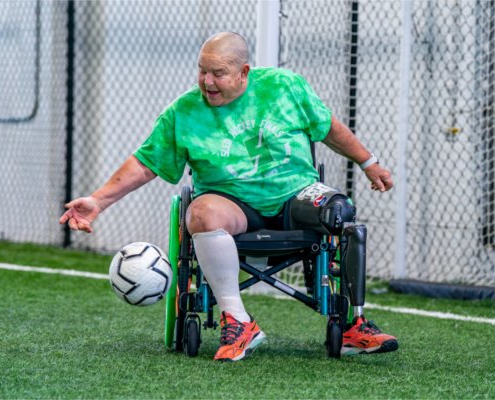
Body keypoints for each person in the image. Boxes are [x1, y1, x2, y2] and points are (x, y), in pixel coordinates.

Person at [60, 32, 398, 362]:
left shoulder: (284, 87)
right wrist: (99, 201)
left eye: (218, 73)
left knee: (341, 211)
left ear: (244, 72)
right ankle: (237, 322)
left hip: (296, 195)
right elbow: (145, 164)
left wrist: (368, 163)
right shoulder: (184, 112)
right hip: (233, 204)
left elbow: (328, 128)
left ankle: (353, 324)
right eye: (202, 70)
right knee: (201, 213)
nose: (207, 81)